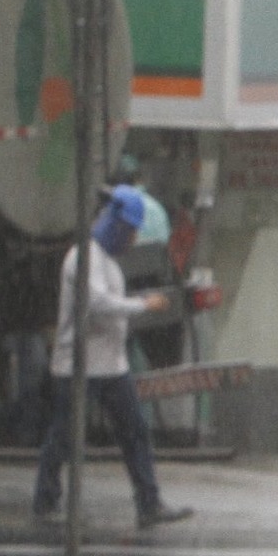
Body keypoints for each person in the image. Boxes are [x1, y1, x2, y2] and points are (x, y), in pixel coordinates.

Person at [34, 188, 190, 531]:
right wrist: (142, 305)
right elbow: (98, 304)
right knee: (63, 435)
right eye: (130, 231)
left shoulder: (109, 264)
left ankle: (149, 503)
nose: (132, 239)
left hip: (112, 366)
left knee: (135, 433)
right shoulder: (82, 259)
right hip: (78, 366)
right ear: (116, 226)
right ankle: (44, 500)